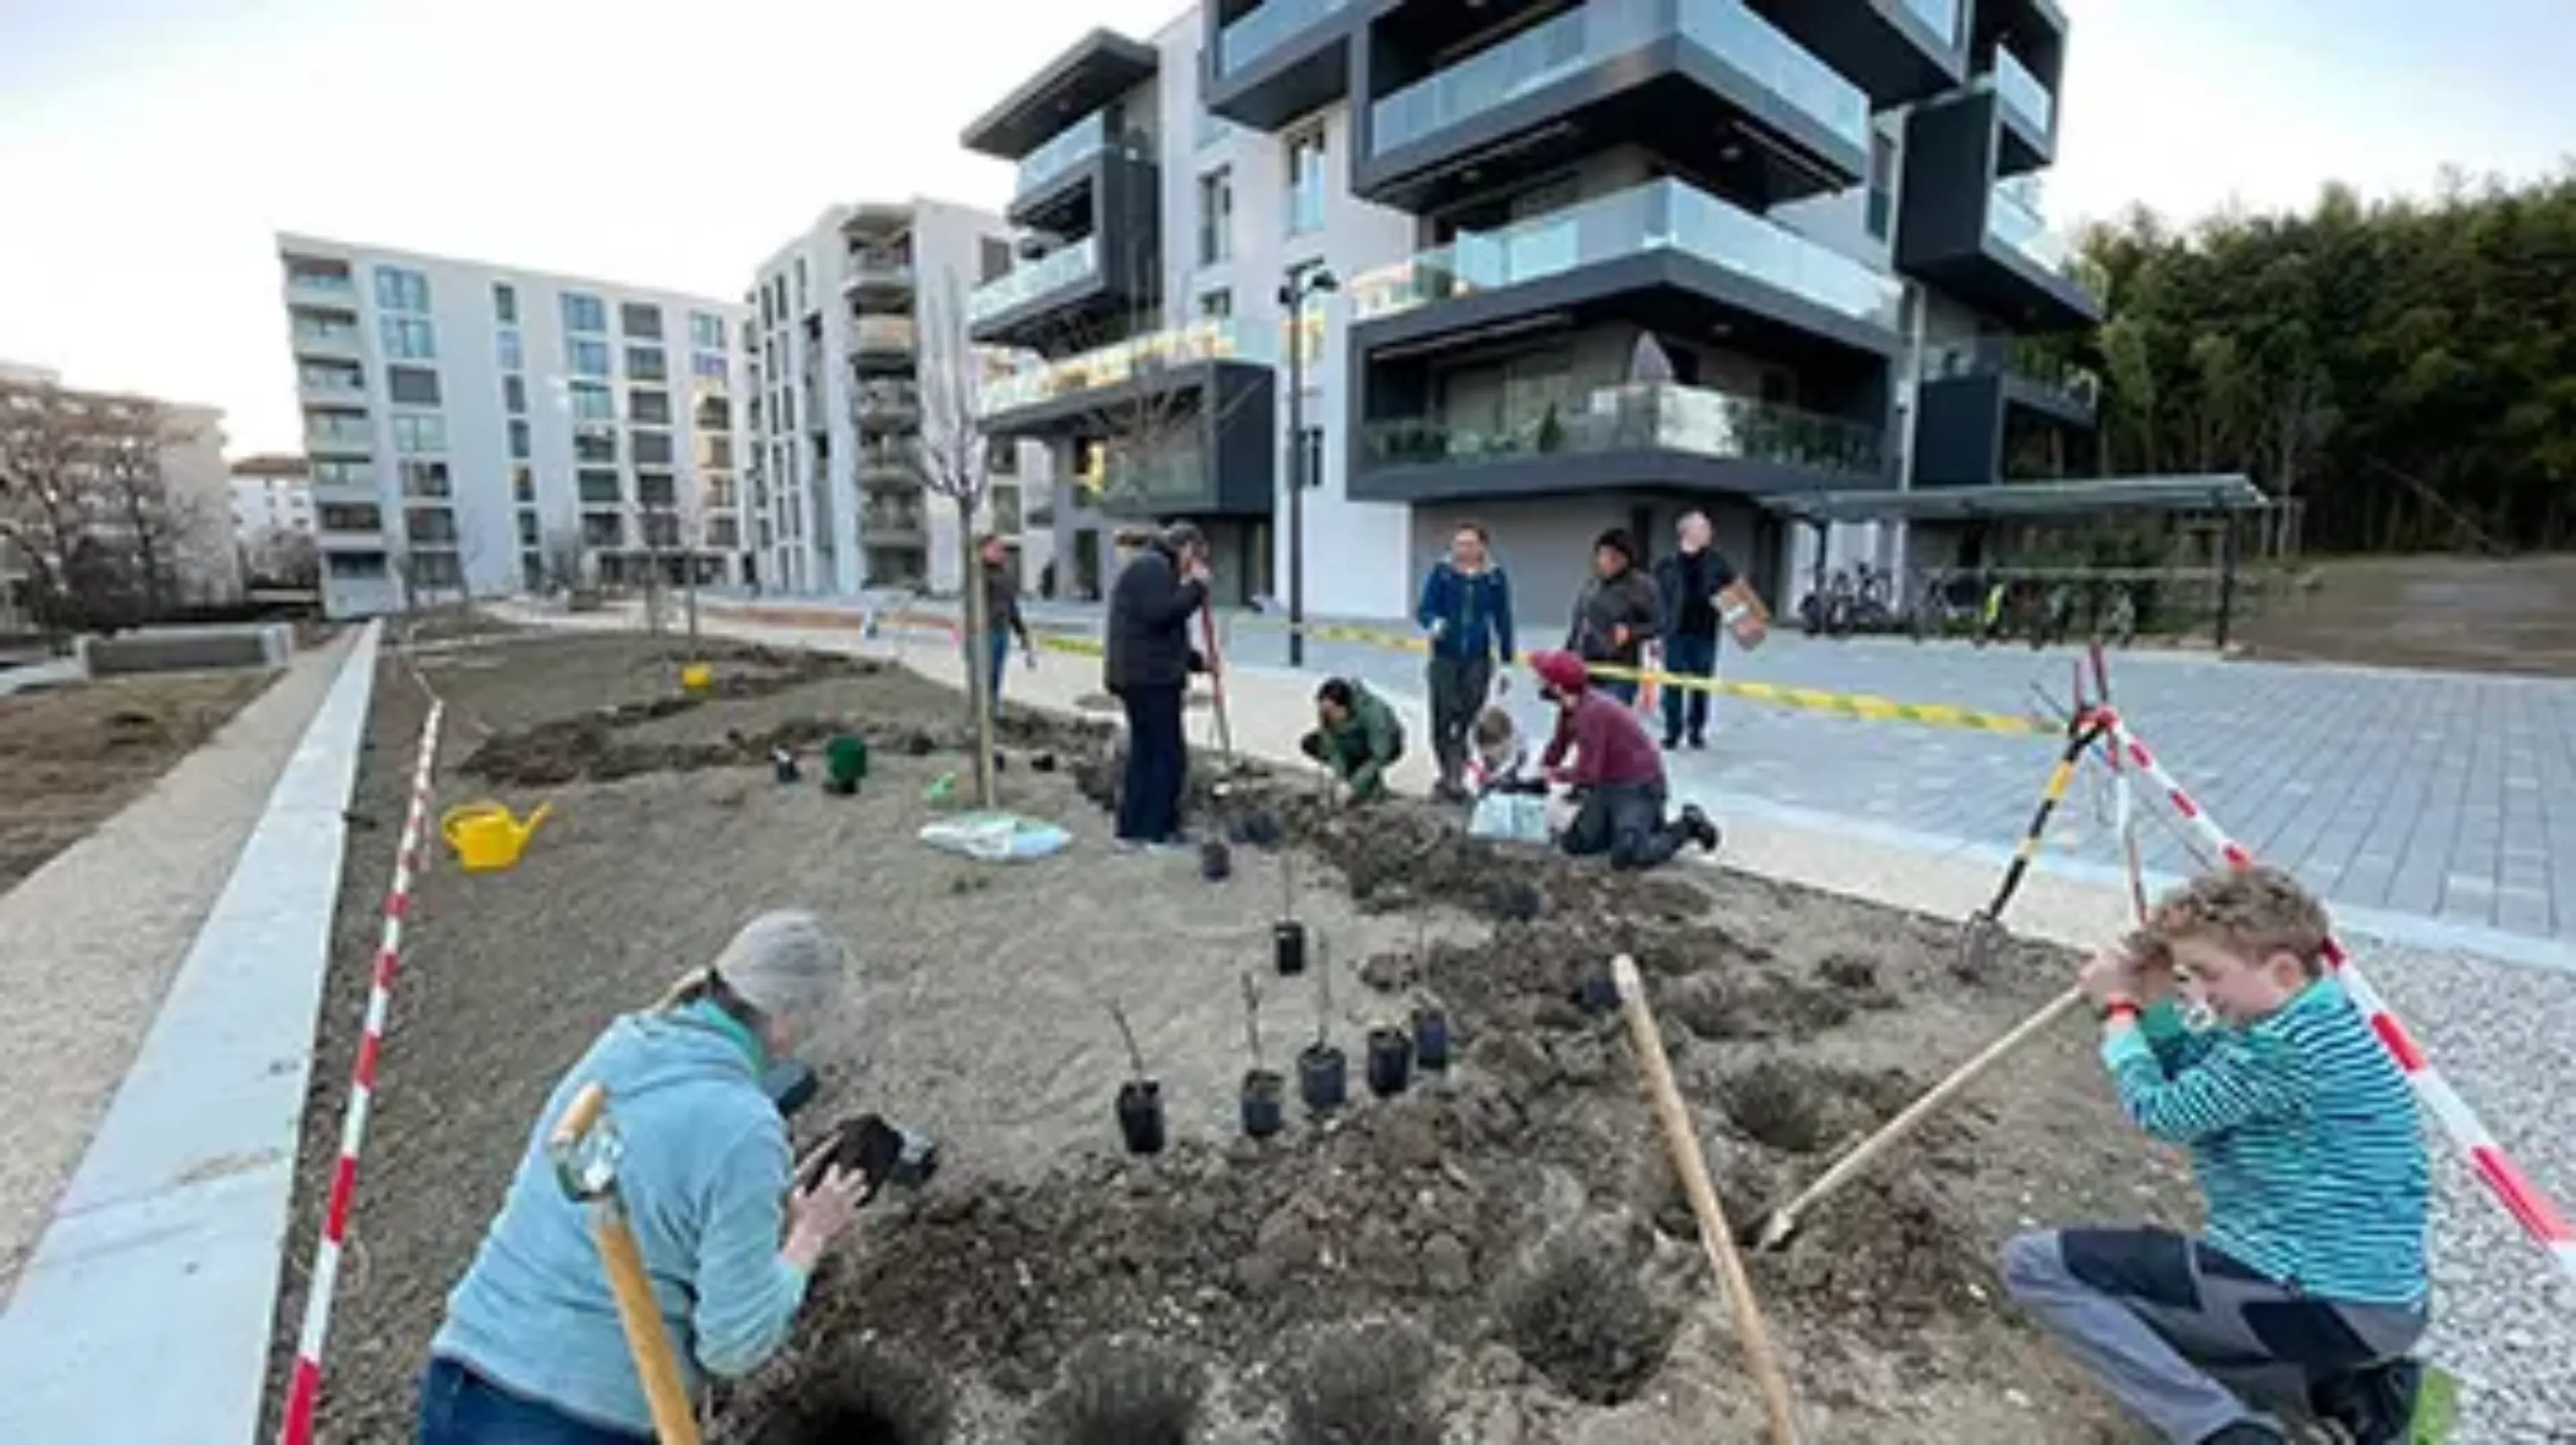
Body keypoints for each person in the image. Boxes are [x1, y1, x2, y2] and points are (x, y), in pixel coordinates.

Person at [2002, 867, 2431, 1445]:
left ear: (2281, 969)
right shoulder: (2308, 1018)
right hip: (2369, 1304)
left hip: (2318, 1297)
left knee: (2037, 1264)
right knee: (2142, 1316)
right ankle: (2345, 1395)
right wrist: (2156, 1003)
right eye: (2188, 974)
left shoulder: (2286, 1046)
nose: (2198, 991)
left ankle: (2224, 1432)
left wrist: (2118, 1012)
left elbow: (2163, 1111)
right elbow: (2204, 1071)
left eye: (2208, 974)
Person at [420, 912, 867, 1444]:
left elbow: (650, 1205)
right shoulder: (744, 1128)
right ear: (788, 1019)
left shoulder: (622, 1045)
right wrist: (809, 1235)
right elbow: (733, 1344)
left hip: (461, 1374)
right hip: (577, 1418)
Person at [1528, 650, 1717, 869]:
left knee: (1628, 856)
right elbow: (1558, 745)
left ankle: (1687, 826)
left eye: (1543, 679)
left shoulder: (1591, 713)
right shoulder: (1570, 707)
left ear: (1558, 688)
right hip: (1609, 785)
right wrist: (1540, 770)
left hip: (1639, 786)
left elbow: (1587, 774)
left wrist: (1553, 775)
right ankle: (1631, 828)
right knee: (1575, 844)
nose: (1538, 683)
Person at [1103, 520, 1210, 849]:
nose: (1192, 568)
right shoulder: (1153, 568)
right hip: (1150, 680)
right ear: (1187, 550)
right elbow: (1162, 614)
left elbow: (1161, 631)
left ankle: (1132, 830)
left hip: (1144, 675)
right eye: (1195, 560)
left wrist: (1197, 662)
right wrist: (1197, 588)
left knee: (1146, 753)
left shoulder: (1151, 568)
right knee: (1167, 756)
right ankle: (1157, 831)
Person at [1415, 521, 1516, 802]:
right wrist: (1433, 623)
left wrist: (1506, 662)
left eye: (1469, 544)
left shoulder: (1494, 577)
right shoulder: (1443, 573)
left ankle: (1457, 777)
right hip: (1445, 656)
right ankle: (1448, 774)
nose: (1463, 549)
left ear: (1482, 546)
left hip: (1478, 658)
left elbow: (1503, 619)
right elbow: (1424, 608)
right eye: (1458, 543)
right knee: (1442, 718)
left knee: (1469, 720)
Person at [1651, 511, 1736, 750]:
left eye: (1709, 529)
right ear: (1687, 533)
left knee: (1701, 685)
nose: (1709, 533)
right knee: (1673, 685)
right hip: (1675, 632)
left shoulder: (1718, 563)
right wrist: (1655, 634)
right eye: (1704, 528)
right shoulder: (1666, 566)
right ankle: (1672, 731)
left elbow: (1734, 595)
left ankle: (1697, 730)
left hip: (1705, 633)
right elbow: (1656, 601)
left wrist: (1744, 623)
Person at [1564, 528, 1659, 706]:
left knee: (1611, 726)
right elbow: (1577, 628)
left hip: (1619, 673)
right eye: (1601, 554)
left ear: (1625, 559)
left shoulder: (1642, 587)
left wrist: (1630, 633)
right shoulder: (1591, 587)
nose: (1604, 561)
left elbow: (1658, 625)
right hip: (1586, 669)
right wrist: (1566, 661)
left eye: (1611, 556)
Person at [1299, 677, 1405, 804]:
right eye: (1324, 711)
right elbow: (1333, 748)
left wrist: (1355, 784)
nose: (1328, 716)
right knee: (1311, 744)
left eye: (1332, 711)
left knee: (1368, 766)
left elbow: (1380, 755)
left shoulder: (1374, 713)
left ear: (1345, 706)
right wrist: (1340, 777)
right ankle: (1352, 779)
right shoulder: (1327, 715)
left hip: (1383, 744)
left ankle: (1370, 786)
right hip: (1350, 741)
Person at [975, 532, 1033, 703]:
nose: (1001, 552)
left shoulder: (1004, 575)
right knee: (985, 675)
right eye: (996, 548)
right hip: (984, 632)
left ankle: (993, 713)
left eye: (1001, 549)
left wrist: (1022, 633)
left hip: (1002, 630)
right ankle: (983, 715)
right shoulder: (978, 576)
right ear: (983, 551)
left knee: (996, 676)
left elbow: (1012, 606)